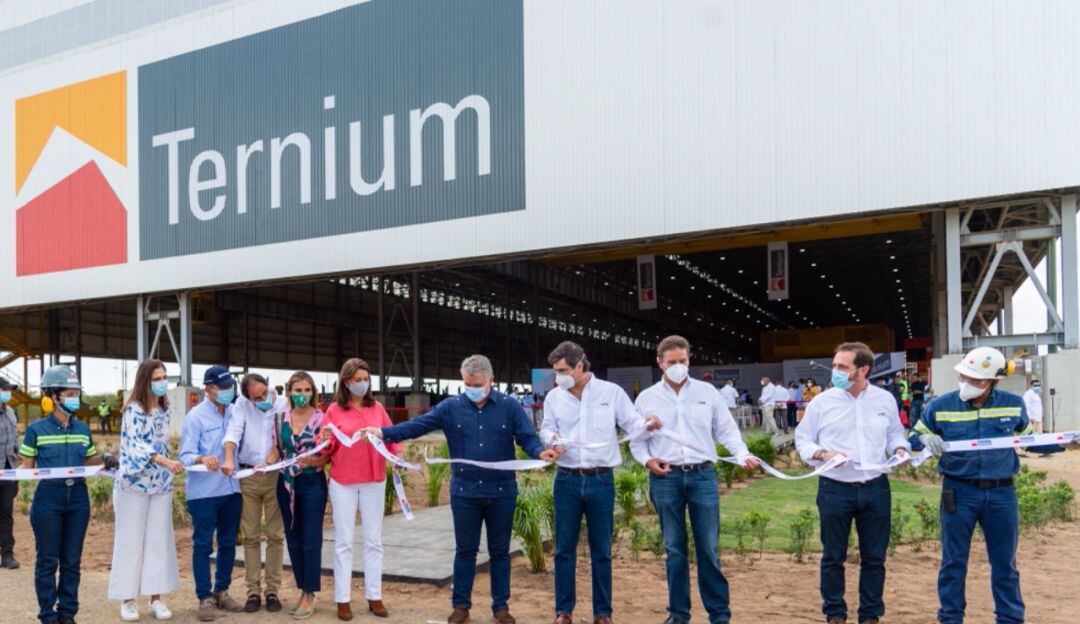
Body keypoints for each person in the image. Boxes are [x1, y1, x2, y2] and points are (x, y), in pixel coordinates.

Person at [363, 355, 558, 624]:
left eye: (477, 383)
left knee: (500, 552)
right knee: (465, 551)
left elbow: (526, 437)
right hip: (465, 493)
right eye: (467, 383)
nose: (471, 388)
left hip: (502, 492)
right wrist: (384, 433)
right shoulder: (450, 407)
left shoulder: (509, 407)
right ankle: (461, 607)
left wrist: (539, 451)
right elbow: (418, 425)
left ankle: (500, 608)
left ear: (491, 380)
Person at [910, 347, 1057, 624]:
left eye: (976, 380)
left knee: (1005, 564)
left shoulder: (1013, 404)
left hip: (1002, 494)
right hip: (958, 492)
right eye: (964, 376)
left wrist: (1062, 442)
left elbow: (1027, 439)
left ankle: (1010, 618)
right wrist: (922, 441)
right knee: (953, 562)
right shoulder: (940, 405)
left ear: (994, 381)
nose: (967, 383)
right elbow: (914, 436)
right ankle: (951, 617)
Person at [629, 336, 758, 624]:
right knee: (674, 549)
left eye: (683, 361)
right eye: (672, 362)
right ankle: (678, 614)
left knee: (708, 548)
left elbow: (726, 430)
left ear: (689, 360)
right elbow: (636, 442)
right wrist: (648, 461)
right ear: (660, 363)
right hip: (666, 477)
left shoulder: (707, 393)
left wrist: (742, 454)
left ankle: (719, 615)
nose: (678, 366)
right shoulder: (646, 398)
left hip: (702, 476)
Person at [539, 341, 658, 624]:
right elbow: (546, 428)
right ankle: (563, 611)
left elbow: (632, 423)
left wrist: (648, 424)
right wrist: (553, 441)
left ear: (580, 366)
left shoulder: (611, 393)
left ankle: (602, 613)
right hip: (566, 479)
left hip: (601, 480)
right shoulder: (555, 397)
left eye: (564, 370)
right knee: (564, 549)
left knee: (601, 550)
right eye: (556, 371)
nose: (559, 377)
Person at [795, 343, 911, 624]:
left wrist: (900, 450)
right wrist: (823, 453)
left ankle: (870, 614)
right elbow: (803, 440)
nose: (835, 371)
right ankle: (834, 613)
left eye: (842, 367)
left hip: (876, 486)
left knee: (874, 557)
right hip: (835, 487)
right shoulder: (821, 403)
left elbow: (896, 434)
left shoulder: (884, 400)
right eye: (835, 365)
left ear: (863, 370)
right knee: (833, 556)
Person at [19, 365, 112, 624]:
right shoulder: (36, 430)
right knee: (48, 560)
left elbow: (89, 458)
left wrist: (105, 459)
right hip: (48, 498)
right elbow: (26, 469)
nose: (75, 398)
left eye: (76, 393)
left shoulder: (82, 429)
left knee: (71, 560)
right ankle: (48, 615)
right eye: (70, 393)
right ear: (53, 396)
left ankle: (67, 613)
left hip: (79, 498)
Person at [319, 358, 398, 621]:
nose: (362, 383)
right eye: (357, 380)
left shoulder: (377, 408)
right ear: (345, 382)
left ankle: (374, 595)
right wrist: (325, 441)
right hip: (343, 481)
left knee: (374, 540)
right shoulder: (333, 410)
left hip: (375, 480)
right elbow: (327, 447)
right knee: (344, 541)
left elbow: (391, 436)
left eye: (366, 379)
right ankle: (343, 598)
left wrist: (398, 456)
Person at [108, 359, 184, 622]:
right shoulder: (133, 410)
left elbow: (164, 444)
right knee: (130, 542)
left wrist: (172, 462)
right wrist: (164, 461)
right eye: (157, 378)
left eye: (165, 377)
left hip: (160, 485)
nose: (162, 382)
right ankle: (127, 600)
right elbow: (136, 446)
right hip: (133, 486)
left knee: (159, 541)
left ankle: (156, 598)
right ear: (145, 381)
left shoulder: (165, 410)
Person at [179, 366, 245, 622]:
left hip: (231, 489)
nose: (228, 391)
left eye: (230, 386)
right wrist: (202, 457)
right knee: (203, 545)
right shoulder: (195, 417)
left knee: (228, 542)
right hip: (204, 493)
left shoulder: (235, 412)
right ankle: (204, 597)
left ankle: (222, 591)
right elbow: (184, 455)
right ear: (207, 389)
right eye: (222, 387)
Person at [222, 373, 288, 613]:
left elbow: (283, 440)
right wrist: (229, 458)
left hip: (274, 475)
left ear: (269, 387)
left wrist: (269, 461)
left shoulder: (282, 403)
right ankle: (252, 593)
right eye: (256, 398)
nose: (262, 399)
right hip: (248, 477)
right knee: (250, 536)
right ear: (248, 399)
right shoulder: (241, 406)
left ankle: (272, 591)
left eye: (264, 393)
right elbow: (232, 433)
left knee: (275, 535)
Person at [275, 371, 329, 620]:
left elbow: (329, 455)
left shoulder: (322, 419)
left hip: (312, 483)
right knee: (293, 537)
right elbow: (275, 450)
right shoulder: (279, 419)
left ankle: (310, 592)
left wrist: (312, 462)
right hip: (286, 484)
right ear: (289, 393)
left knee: (311, 538)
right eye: (298, 391)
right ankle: (301, 588)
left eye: (307, 390)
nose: (303, 395)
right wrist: (261, 464)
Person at [0, 377, 21, 570]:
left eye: (9, 390)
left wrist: (21, 450)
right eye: (4, 389)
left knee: (6, 513)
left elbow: (14, 440)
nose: (7, 392)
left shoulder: (11, 413)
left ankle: (7, 555)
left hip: (8, 471)